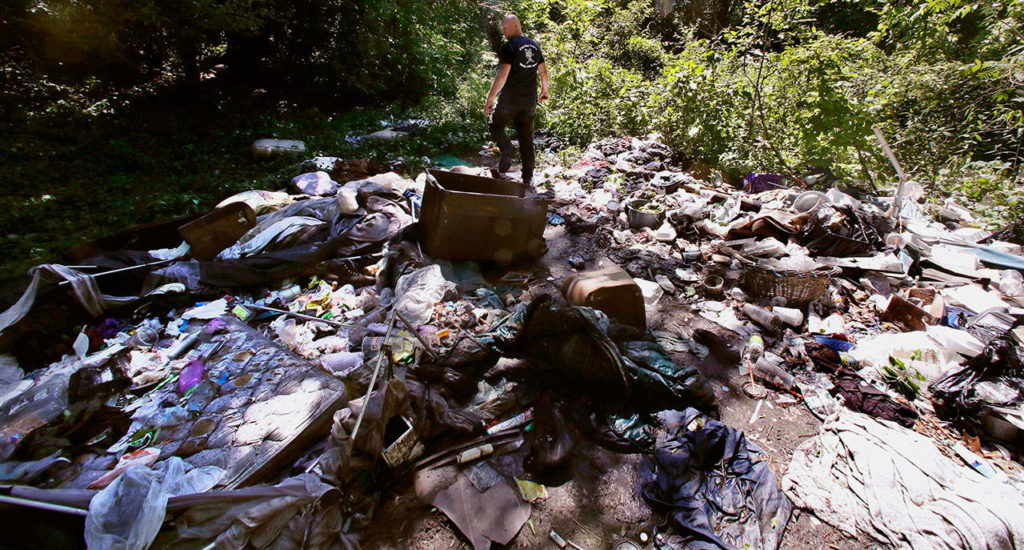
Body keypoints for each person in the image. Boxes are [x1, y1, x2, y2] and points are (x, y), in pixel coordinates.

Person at [484, 14, 549, 187]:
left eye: (505, 28)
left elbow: (502, 75)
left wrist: (490, 98)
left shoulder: (510, 47)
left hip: (510, 101)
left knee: (496, 125)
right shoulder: (534, 45)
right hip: (529, 102)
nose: (503, 32)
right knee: (526, 138)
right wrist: (545, 90)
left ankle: (507, 149)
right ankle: (528, 178)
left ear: (514, 25)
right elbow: (543, 71)